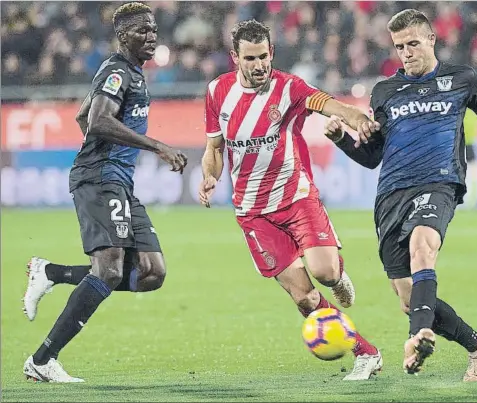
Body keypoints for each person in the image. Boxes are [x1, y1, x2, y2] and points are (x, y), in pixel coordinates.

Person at [323, 9, 477, 381]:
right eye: (399, 47)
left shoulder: (461, 79)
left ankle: (417, 337)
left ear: (432, 39)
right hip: (391, 195)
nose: (406, 53)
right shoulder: (385, 92)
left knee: (424, 246)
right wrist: (341, 138)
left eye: (413, 44)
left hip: (439, 183)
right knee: (409, 299)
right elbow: (372, 158)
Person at [198, 19, 383, 381]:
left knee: (325, 272)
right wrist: (210, 175)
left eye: (264, 56)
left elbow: (328, 104)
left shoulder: (288, 88)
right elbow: (214, 147)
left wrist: (355, 117)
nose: (259, 65)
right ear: (235, 57)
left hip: (296, 197)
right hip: (253, 213)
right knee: (304, 299)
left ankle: (338, 274)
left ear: (272, 54)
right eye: (250, 58)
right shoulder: (217, 92)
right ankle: (367, 354)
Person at [22, 2, 188, 383]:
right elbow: (97, 120)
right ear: (122, 35)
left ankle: (50, 272)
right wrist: (156, 146)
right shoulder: (116, 71)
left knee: (151, 272)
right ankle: (42, 360)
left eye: (153, 30)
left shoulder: (133, 72)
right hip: (100, 179)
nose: (151, 36)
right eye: (142, 31)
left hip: (119, 182)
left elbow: (84, 117)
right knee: (110, 270)